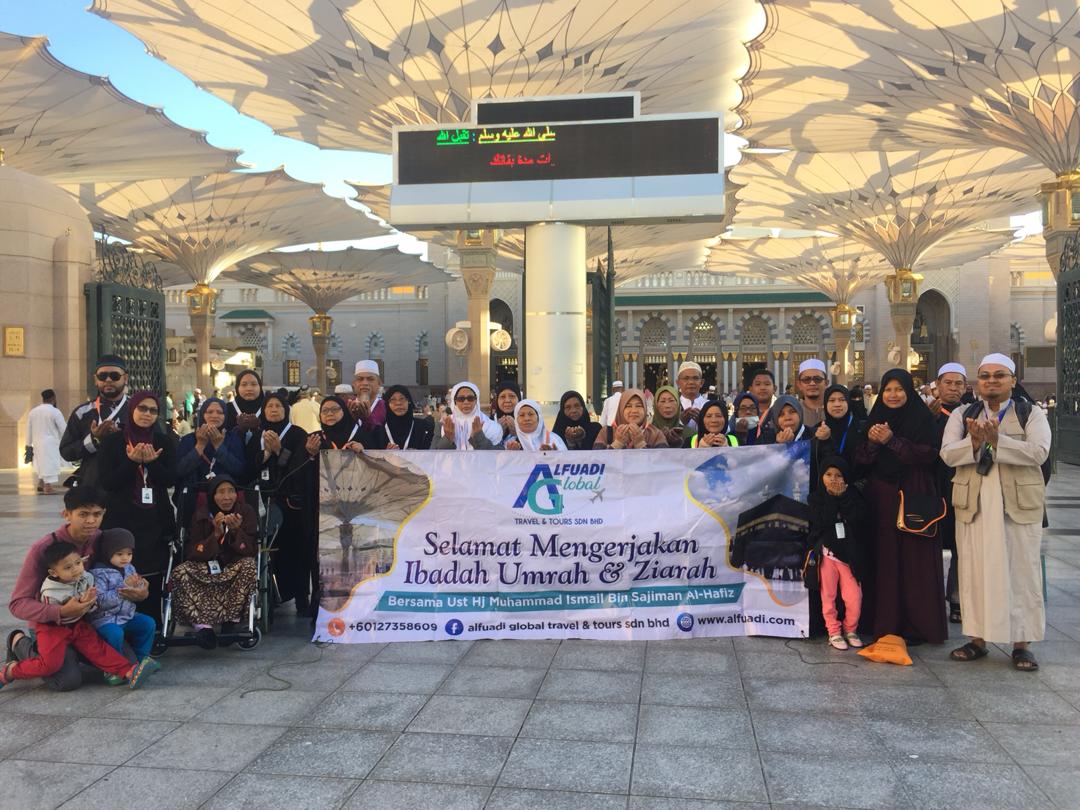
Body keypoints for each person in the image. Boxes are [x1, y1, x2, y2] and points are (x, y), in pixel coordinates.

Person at [941, 354, 1051, 671]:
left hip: (1015, 506)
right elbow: (947, 454)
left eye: (999, 375)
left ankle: (1022, 644)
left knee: (1022, 573)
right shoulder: (963, 414)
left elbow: (1039, 452)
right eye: (985, 376)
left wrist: (997, 441)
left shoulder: (1030, 413)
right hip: (974, 505)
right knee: (974, 572)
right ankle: (977, 639)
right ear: (977, 382)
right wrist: (975, 443)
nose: (991, 381)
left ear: (1012, 380)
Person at [855, 368, 945, 645]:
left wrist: (891, 441)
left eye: (899, 389)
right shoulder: (874, 419)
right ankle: (882, 621)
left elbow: (929, 455)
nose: (893, 395)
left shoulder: (922, 420)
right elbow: (860, 460)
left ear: (908, 392)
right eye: (888, 390)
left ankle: (915, 625)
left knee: (912, 562)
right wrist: (873, 443)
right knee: (883, 559)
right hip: (881, 500)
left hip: (913, 497)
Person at [0, 539, 157, 690]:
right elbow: (58, 614)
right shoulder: (51, 591)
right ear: (54, 572)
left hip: (77, 624)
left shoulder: (86, 577)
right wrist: (81, 602)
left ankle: (129, 672)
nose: (76, 569)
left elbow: (92, 606)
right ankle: (11, 670)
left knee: (98, 648)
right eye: (68, 567)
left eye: (78, 563)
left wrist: (90, 602)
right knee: (50, 665)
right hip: (53, 628)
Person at [6, 487, 111, 691]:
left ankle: (73, 654)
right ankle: (19, 642)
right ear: (66, 514)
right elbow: (18, 604)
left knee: (125, 660)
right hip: (49, 626)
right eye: (83, 514)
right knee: (67, 680)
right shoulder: (43, 548)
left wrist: (136, 589)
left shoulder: (100, 539)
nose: (91, 521)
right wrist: (60, 611)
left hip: (85, 623)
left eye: (97, 514)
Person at [99, 392, 177, 626]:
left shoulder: (164, 441)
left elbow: (170, 480)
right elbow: (108, 482)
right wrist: (132, 462)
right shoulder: (113, 442)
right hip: (122, 517)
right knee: (124, 568)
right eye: (142, 408)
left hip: (154, 518)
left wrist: (152, 464)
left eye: (153, 410)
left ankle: (153, 625)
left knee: (153, 570)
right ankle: (121, 623)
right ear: (132, 409)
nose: (147, 414)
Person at [170, 475, 259, 649]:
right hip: (207, 565)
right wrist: (216, 535)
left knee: (248, 565)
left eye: (231, 491)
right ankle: (203, 627)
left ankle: (231, 622)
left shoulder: (246, 512)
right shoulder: (201, 514)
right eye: (221, 492)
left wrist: (236, 531)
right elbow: (192, 553)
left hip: (233, 565)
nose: (227, 497)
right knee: (180, 571)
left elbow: (250, 550)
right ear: (212, 495)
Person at [256, 392, 315, 613]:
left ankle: (301, 598)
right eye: (269, 406)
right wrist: (265, 453)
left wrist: (280, 451)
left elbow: (301, 465)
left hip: (291, 503)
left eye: (278, 406)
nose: (274, 410)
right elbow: (250, 465)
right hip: (263, 499)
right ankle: (271, 597)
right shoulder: (258, 434)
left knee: (297, 550)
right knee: (270, 550)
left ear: (286, 409)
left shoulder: (298, 434)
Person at [808, 456, 866, 650]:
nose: (833, 479)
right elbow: (823, 521)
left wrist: (843, 497)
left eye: (838, 475)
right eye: (828, 474)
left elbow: (857, 519)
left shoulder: (854, 496)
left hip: (849, 556)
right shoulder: (815, 498)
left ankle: (851, 629)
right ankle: (833, 631)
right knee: (828, 595)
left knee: (854, 597)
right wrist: (832, 498)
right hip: (827, 554)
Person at [931, 362, 968, 624]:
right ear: (938, 385)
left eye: (958, 384)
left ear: (965, 387)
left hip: (962, 489)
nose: (953, 388)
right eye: (948, 383)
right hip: (934, 489)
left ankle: (957, 599)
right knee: (931, 546)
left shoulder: (972, 414)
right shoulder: (928, 414)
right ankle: (931, 600)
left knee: (961, 546)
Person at [60, 354, 130, 489]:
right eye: (102, 376)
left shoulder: (139, 410)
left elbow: (157, 446)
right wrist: (94, 440)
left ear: (125, 378)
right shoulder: (82, 413)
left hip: (128, 485)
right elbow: (66, 452)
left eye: (114, 376)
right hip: (92, 486)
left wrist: (124, 437)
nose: (108, 380)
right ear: (95, 380)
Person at [89, 528, 157, 663]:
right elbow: (100, 601)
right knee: (115, 634)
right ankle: (115, 666)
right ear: (107, 552)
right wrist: (124, 587)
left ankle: (141, 660)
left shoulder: (129, 568)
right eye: (119, 554)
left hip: (126, 615)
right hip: (105, 619)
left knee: (148, 623)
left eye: (129, 553)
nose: (125, 558)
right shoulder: (98, 573)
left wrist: (140, 588)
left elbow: (136, 590)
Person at [176, 397, 249, 503]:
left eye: (220, 412)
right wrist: (200, 445)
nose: (215, 416)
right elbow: (180, 470)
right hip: (194, 499)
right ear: (202, 414)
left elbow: (239, 470)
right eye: (209, 412)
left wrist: (219, 447)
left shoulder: (233, 439)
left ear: (225, 416)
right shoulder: (189, 439)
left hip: (226, 500)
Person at [432, 382, 504, 450]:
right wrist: (447, 439)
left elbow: (497, 455)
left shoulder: (490, 426)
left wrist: (479, 437)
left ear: (476, 400)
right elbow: (432, 454)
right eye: (461, 399)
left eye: (470, 398)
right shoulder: (443, 425)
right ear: (455, 401)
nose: (466, 402)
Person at [592, 388, 667, 449]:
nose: (634, 411)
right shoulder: (606, 433)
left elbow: (664, 460)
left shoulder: (655, 434)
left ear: (645, 409)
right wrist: (617, 444)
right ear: (621, 409)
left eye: (639, 406)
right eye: (628, 406)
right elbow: (596, 460)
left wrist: (641, 444)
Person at [27, 389, 68, 495]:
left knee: (41, 463)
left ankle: (41, 483)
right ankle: (48, 487)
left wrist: (28, 444)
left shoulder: (33, 411)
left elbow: (29, 430)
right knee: (49, 464)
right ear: (53, 398)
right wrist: (68, 439)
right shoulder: (55, 411)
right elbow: (63, 429)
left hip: (37, 442)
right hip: (50, 443)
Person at [813, 384, 862, 470]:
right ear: (825, 403)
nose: (837, 404)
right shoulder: (818, 429)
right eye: (832, 400)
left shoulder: (860, 427)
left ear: (848, 402)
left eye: (842, 400)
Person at [376, 385, 434, 450]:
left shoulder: (424, 426)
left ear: (409, 401)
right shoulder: (378, 429)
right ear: (387, 404)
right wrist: (384, 453)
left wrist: (418, 453)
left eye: (402, 399)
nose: (398, 403)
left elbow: (433, 451)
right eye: (393, 399)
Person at [349, 360, 387, 431]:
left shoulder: (386, 407)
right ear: (354, 384)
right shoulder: (347, 406)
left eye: (370, 379)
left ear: (379, 384)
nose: (365, 383)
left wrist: (368, 418)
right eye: (360, 379)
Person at [675, 361, 708, 431]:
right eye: (686, 378)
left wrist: (704, 423)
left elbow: (725, 430)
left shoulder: (709, 405)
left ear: (701, 383)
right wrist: (681, 422)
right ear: (678, 383)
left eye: (695, 378)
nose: (691, 382)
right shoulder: (673, 406)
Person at [796, 359, 827, 429]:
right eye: (806, 379)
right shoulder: (794, 411)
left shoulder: (835, 409)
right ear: (799, 385)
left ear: (826, 383)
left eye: (817, 379)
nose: (812, 383)